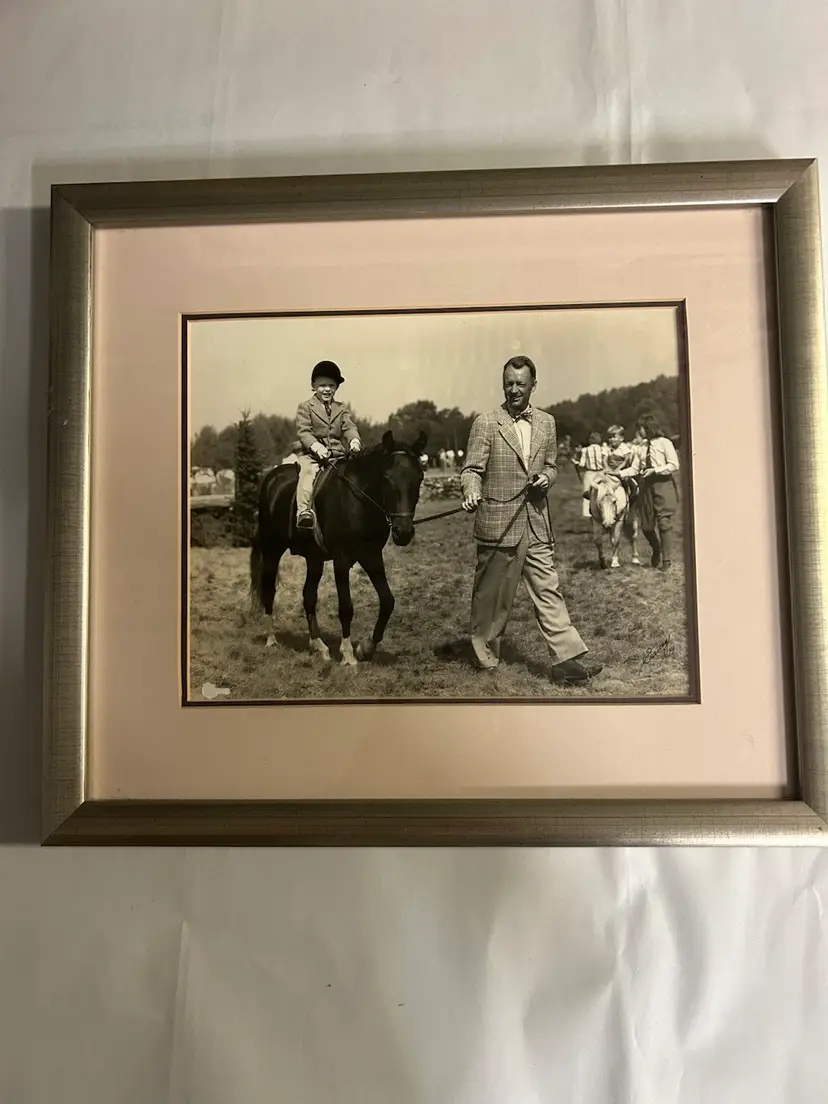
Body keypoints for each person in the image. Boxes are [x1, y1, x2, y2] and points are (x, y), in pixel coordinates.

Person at [460, 355, 602, 686]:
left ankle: (565, 660)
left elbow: (552, 465)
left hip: (536, 520)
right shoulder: (486, 422)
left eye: (520, 385)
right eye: (508, 384)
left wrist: (547, 479)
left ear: (533, 386)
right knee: (492, 596)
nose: (513, 390)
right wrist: (470, 491)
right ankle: (485, 654)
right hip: (498, 521)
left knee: (548, 589)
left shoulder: (547, 423)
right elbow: (472, 469)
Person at [295, 360, 362, 528]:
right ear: (313, 386)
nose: (327, 389)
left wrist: (354, 440)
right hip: (312, 456)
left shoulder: (341, 408)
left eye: (331, 385)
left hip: (338, 456)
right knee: (308, 474)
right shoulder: (305, 407)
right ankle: (304, 511)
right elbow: (304, 431)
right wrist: (316, 446)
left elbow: (349, 427)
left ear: (337, 388)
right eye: (322, 385)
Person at [636, 413, 680, 569]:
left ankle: (666, 561)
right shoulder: (641, 447)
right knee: (646, 527)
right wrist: (619, 474)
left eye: (640, 427)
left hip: (663, 485)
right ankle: (656, 548)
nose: (639, 431)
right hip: (646, 488)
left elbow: (674, 465)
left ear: (648, 428)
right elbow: (635, 467)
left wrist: (655, 471)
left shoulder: (664, 443)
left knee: (664, 523)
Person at [574, 431, 606, 518]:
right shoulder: (603, 449)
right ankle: (602, 510)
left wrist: (575, 462)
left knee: (587, 493)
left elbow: (582, 464)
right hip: (601, 472)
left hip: (590, 473)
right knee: (602, 492)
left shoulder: (585, 450)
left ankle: (588, 514)